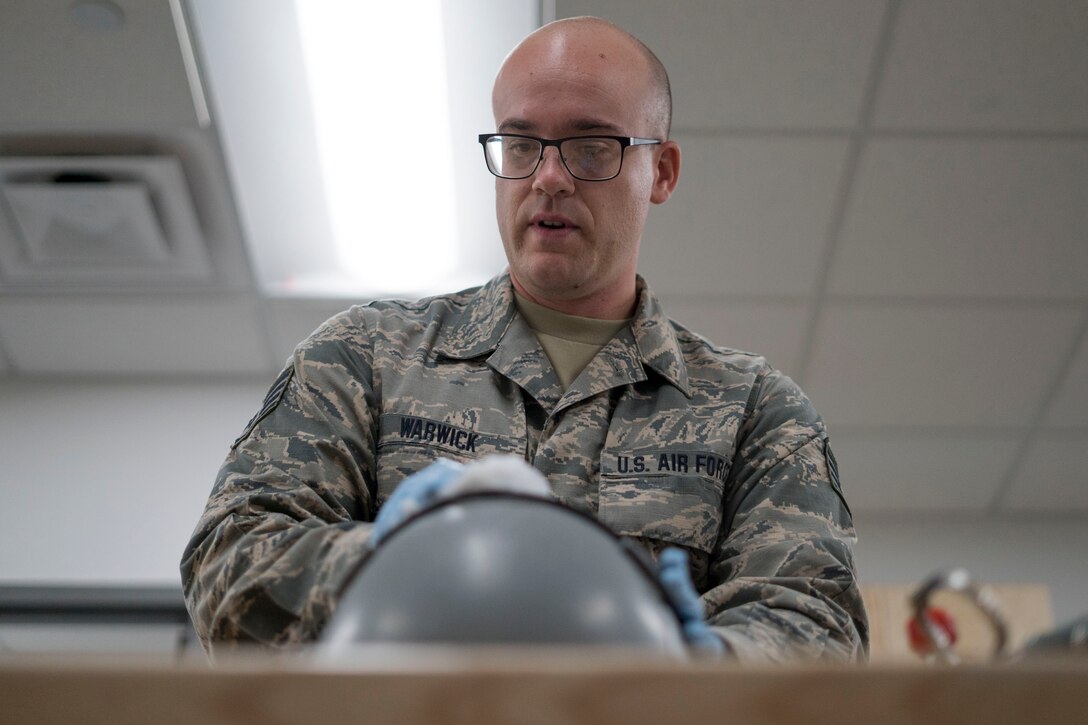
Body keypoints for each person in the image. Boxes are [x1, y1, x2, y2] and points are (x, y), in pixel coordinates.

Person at [181, 16, 869, 663]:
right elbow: (228, 563)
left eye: (592, 147)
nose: (547, 177)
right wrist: (404, 559)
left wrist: (687, 661)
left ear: (661, 171)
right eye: (520, 144)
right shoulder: (366, 358)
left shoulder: (756, 411)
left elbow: (818, 626)